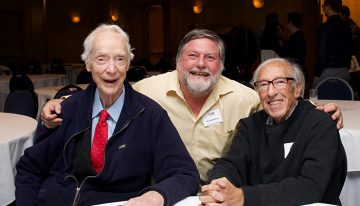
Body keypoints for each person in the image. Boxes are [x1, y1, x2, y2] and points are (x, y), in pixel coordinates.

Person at [40, 29, 344, 186]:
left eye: (210, 58)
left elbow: (279, 100)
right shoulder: (147, 90)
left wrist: (313, 111)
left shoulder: (244, 97)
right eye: (192, 56)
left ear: (221, 65)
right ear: (177, 61)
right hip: (161, 191)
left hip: (223, 193)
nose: (201, 65)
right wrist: (59, 104)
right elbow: (103, 92)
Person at [15, 24, 199, 206]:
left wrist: (157, 195)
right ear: (88, 64)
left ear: (128, 64)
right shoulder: (66, 110)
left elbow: (185, 174)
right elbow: (30, 169)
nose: (111, 69)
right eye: (101, 59)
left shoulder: (150, 116)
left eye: (119, 59)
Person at [200, 58, 346, 206]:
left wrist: (243, 197)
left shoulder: (320, 124)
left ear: (297, 88)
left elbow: (311, 186)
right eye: (263, 85)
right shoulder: (249, 126)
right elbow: (230, 164)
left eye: (280, 82)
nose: (271, 92)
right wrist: (217, 187)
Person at [314, 0, 353, 87]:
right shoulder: (347, 27)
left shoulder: (324, 28)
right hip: (344, 71)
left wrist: (317, 74)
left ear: (328, 6)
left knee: (319, 98)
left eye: (323, 6)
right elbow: (350, 50)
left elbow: (322, 54)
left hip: (328, 72)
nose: (322, 8)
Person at [279, 12, 306, 77]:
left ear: (291, 23)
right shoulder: (298, 36)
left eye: (286, 21)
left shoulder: (296, 38)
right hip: (296, 70)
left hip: (294, 72)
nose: (285, 24)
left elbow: (289, 55)